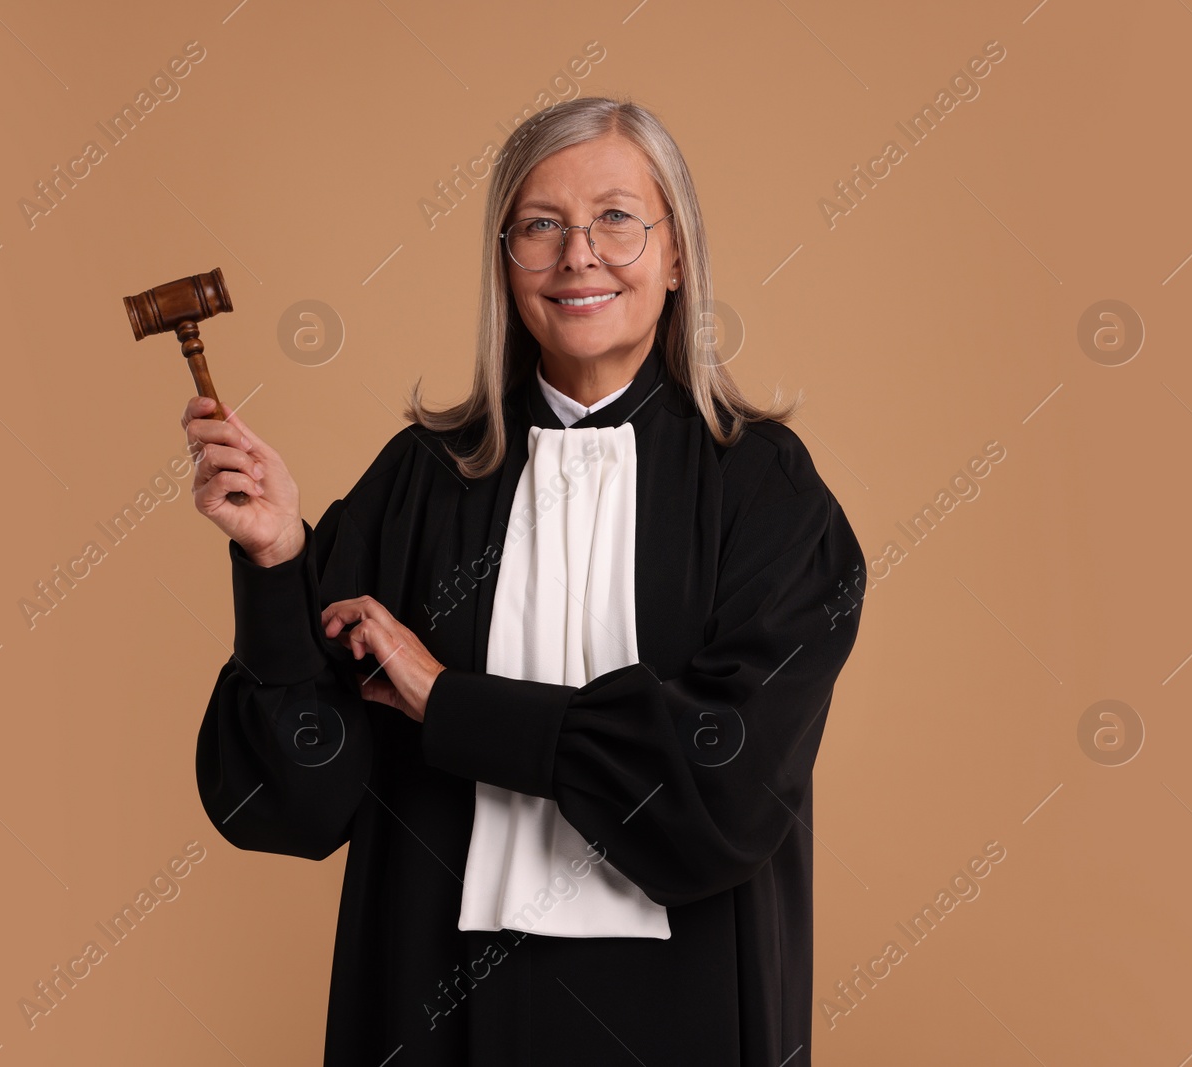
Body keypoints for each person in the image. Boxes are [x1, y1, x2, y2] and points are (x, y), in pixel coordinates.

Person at [187, 95, 867, 1066]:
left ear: (677, 256)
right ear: (504, 265)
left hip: (687, 1011)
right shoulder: (418, 482)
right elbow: (287, 800)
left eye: (616, 220)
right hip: (435, 1007)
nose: (577, 255)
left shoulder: (764, 491)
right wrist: (274, 565)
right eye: (539, 226)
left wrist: (448, 700)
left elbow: (722, 786)